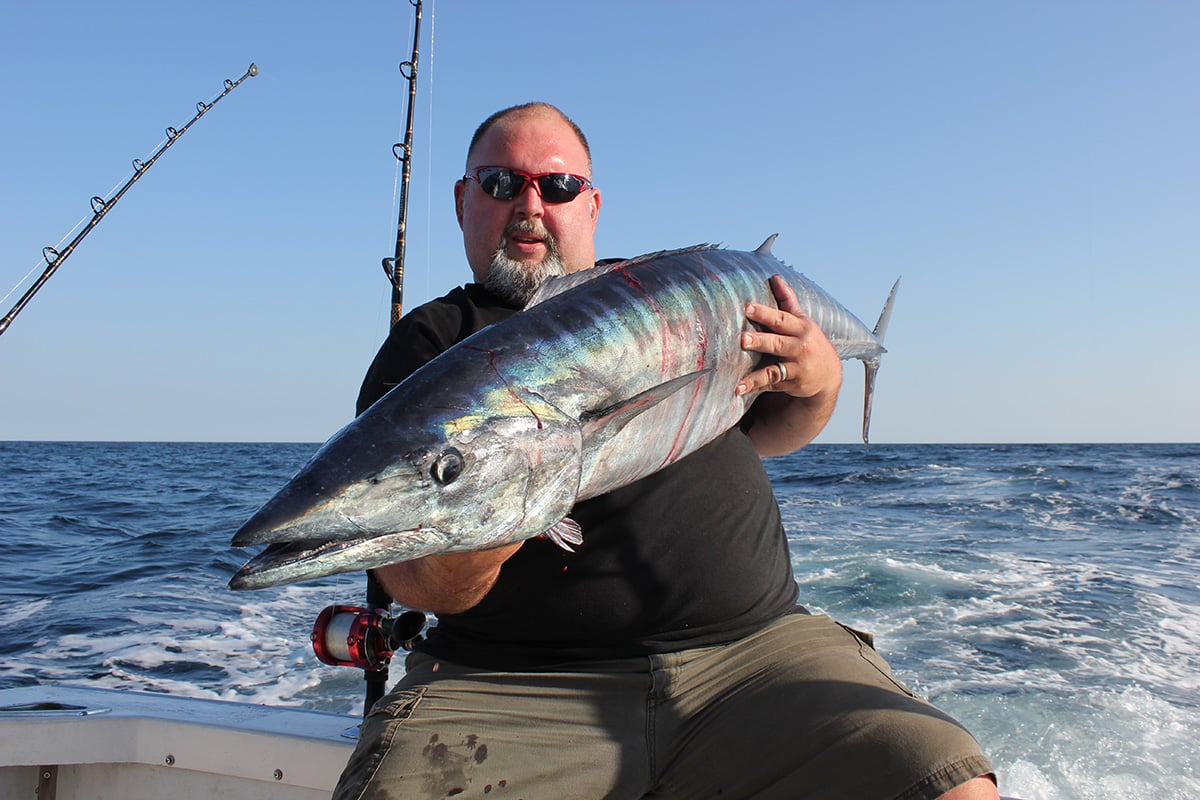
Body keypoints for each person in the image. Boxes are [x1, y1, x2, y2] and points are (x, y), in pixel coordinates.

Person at [332, 102, 998, 800]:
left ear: (590, 206)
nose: (529, 205)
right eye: (501, 183)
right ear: (463, 201)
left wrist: (823, 380)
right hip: (514, 686)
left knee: (949, 784)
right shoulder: (435, 343)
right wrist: (491, 507)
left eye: (556, 186)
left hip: (760, 658)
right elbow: (413, 579)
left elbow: (772, 433)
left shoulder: (679, 295)